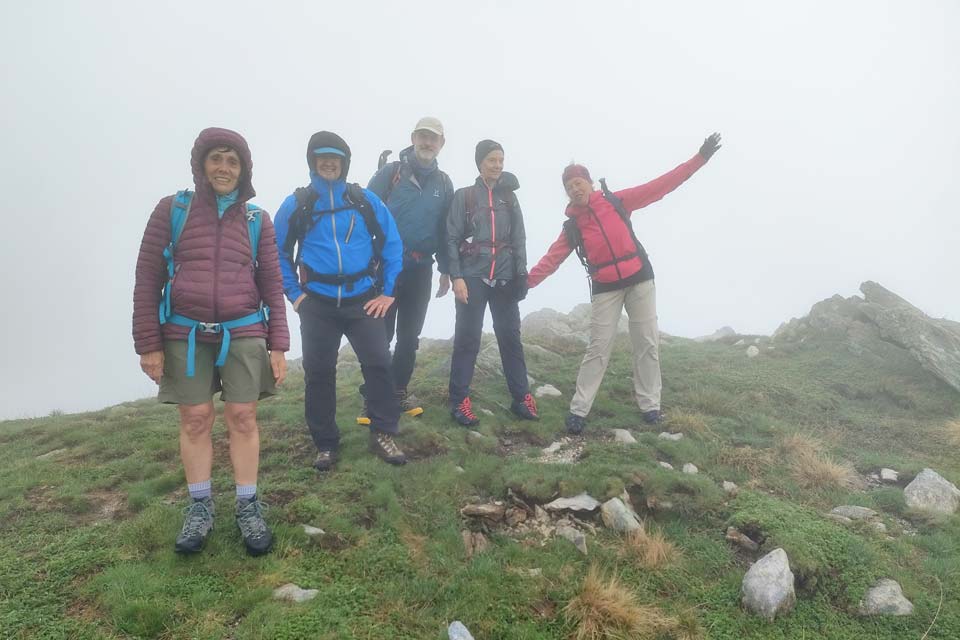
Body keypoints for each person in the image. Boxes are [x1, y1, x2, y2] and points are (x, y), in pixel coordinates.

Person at [133, 127, 288, 556]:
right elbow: (148, 277)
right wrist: (148, 342)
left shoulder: (258, 220)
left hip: (244, 330)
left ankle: (247, 505)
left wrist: (278, 344)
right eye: (217, 158)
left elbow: (272, 284)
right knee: (196, 419)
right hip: (184, 332)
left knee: (243, 417)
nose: (224, 168)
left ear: (244, 171)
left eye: (233, 161)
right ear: (202, 163)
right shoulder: (173, 210)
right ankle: (200, 507)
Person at [527, 133, 722, 434]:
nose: (574, 188)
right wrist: (525, 284)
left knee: (646, 342)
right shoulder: (573, 227)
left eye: (578, 182)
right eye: (569, 187)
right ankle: (579, 410)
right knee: (597, 348)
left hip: (640, 279)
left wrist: (700, 158)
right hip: (605, 287)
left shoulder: (616, 202)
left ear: (589, 183)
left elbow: (661, 186)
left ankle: (650, 407)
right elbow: (550, 260)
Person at [274, 131, 406, 471]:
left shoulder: (363, 201)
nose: (329, 162)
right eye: (322, 157)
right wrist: (295, 295)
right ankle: (326, 444)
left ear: (344, 163)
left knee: (378, 362)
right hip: (316, 302)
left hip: (363, 298)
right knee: (318, 372)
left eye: (335, 158)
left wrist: (388, 292)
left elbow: (392, 243)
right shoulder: (298, 203)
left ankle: (383, 433)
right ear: (313, 162)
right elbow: (276, 253)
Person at [359, 116, 454, 422]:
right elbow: (364, 212)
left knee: (409, 335)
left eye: (434, 138)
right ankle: (375, 394)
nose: (428, 143)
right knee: (379, 334)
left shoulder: (444, 183)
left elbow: (444, 229)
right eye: (423, 136)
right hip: (385, 266)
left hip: (421, 267)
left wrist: (446, 269)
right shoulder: (391, 173)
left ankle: (398, 391)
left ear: (441, 144)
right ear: (413, 137)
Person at [446, 139, 538, 426]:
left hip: (505, 277)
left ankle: (521, 398)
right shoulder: (465, 196)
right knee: (468, 338)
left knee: (510, 337)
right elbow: (450, 237)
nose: (497, 165)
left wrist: (521, 274)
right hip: (472, 275)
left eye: (500, 160)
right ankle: (459, 401)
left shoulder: (509, 197)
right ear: (480, 163)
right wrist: (456, 277)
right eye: (491, 160)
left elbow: (519, 237)